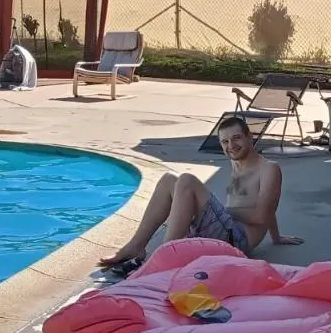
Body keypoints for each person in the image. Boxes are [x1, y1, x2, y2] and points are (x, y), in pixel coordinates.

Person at [98, 115, 303, 273]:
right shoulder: (237, 164)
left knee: (187, 181)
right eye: (225, 142)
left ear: (250, 137)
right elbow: (267, 203)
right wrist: (276, 237)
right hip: (224, 229)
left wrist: (223, 210)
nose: (231, 146)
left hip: (238, 240)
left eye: (237, 138)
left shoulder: (269, 168)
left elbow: (261, 215)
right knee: (169, 180)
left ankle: (164, 259)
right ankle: (136, 246)